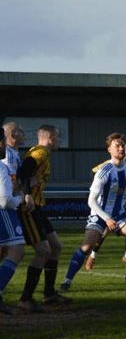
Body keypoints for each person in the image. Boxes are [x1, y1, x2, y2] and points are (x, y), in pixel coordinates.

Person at [58, 133, 126, 292]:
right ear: (109, 150)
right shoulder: (104, 170)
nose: (121, 149)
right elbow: (91, 200)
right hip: (100, 214)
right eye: (117, 146)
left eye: (122, 145)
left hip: (120, 214)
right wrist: (106, 218)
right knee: (86, 247)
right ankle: (67, 281)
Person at [16, 125, 71, 311]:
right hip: (29, 209)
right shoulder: (39, 153)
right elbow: (24, 171)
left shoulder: (39, 153)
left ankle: (49, 294)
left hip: (38, 208)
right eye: (57, 138)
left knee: (56, 247)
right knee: (43, 251)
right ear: (49, 137)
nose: (59, 142)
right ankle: (25, 298)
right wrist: (28, 193)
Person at [84, 141, 126, 270]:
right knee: (104, 232)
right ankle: (93, 256)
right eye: (123, 149)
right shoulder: (108, 165)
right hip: (110, 202)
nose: (125, 152)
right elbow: (93, 172)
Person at [0, 126, 27, 314]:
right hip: (3, 212)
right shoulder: (2, 165)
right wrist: (19, 199)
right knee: (17, 250)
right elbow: (5, 200)